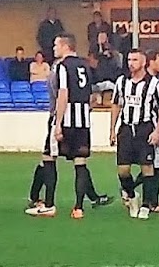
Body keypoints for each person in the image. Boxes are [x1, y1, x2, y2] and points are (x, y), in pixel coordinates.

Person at [29, 33, 107, 219]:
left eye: (56, 45)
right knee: (80, 163)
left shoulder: (63, 66)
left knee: (49, 157)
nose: (54, 48)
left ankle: (49, 204)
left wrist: (58, 123)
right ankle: (79, 208)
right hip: (83, 120)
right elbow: (91, 94)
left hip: (66, 118)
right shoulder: (85, 65)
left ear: (65, 46)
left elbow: (63, 94)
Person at [113, 49, 159, 219]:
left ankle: (146, 205)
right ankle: (131, 196)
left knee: (148, 168)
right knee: (123, 170)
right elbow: (116, 104)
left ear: (143, 62)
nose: (131, 63)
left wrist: (157, 130)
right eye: (129, 59)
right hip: (126, 128)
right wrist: (112, 129)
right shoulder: (122, 82)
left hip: (144, 128)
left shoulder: (153, 84)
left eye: (135, 60)